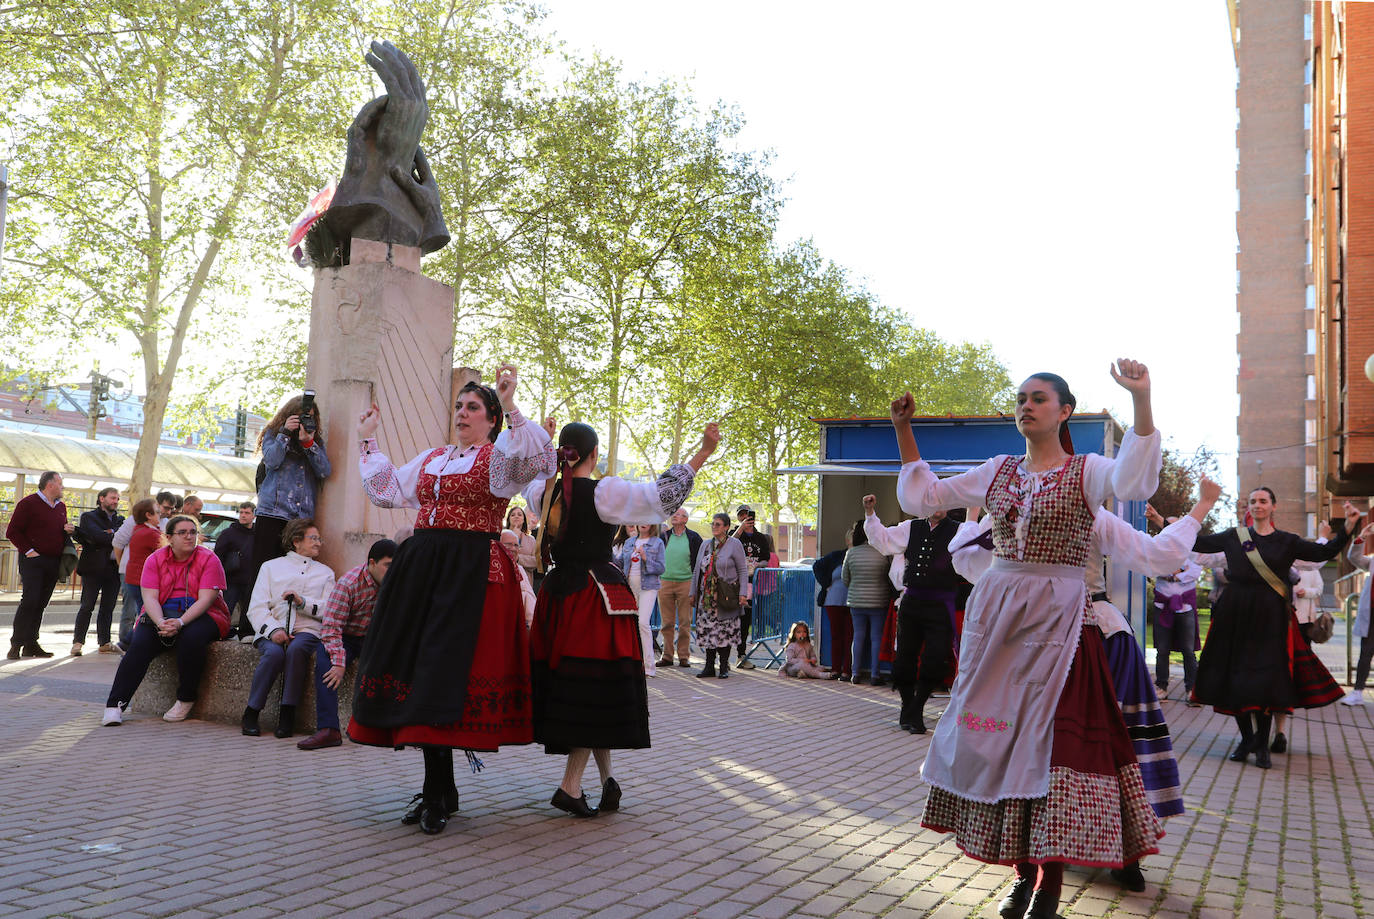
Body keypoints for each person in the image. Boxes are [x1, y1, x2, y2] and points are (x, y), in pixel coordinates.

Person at [891, 362, 1172, 918]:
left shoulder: (1088, 471)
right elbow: (925, 497)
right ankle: (1022, 874)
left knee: (1057, 750)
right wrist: (904, 431)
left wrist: (1141, 399)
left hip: (1064, 627)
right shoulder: (998, 470)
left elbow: (1135, 481)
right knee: (999, 743)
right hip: (999, 625)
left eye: (1039, 398)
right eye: (1020, 398)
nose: (1026, 406)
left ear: (1063, 411)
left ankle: (1050, 883)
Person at [349, 365, 556, 835]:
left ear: (490, 419)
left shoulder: (497, 459)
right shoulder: (433, 458)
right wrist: (368, 440)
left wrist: (508, 401)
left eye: (473, 408)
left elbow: (537, 462)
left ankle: (441, 791)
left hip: (470, 573)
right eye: (460, 407)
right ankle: (437, 786)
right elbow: (385, 492)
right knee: (417, 670)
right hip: (422, 567)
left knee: (446, 674)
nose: (462, 413)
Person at [527, 420, 718, 817]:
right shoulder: (604, 491)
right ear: (594, 455)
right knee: (594, 687)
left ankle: (609, 782)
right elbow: (658, 496)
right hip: (593, 597)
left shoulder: (543, 491)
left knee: (594, 688)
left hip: (557, 595)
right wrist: (701, 454)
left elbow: (540, 480)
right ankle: (570, 785)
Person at [1190, 488, 1356, 768]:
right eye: (1253, 501)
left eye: (1263, 501)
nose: (1257, 505)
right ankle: (1246, 740)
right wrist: (1162, 523)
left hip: (1271, 618)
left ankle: (1263, 746)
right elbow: (1197, 543)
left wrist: (1348, 527)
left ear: (1273, 506)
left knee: (1266, 679)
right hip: (1235, 614)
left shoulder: (1287, 541)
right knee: (1235, 676)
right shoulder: (1234, 537)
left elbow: (1323, 551)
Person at [101, 514, 232, 726]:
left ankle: (185, 698)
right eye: (182, 533)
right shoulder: (155, 559)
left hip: (204, 614)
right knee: (139, 643)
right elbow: (150, 597)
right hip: (161, 612)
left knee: (191, 638)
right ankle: (114, 705)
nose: (189, 537)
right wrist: (161, 621)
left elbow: (207, 599)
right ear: (169, 537)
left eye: (193, 532)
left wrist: (180, 623)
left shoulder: (209, 558)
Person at [863, 496, 967, 732]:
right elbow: (883, 540)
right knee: (904, 660)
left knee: (935, 659)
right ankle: (908, 706)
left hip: (940, 603)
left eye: (941, 503)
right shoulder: (911, 527)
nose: (936, 508)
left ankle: (917, 707)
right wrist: (870, 513)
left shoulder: (959, 530)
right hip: (912, 602)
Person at [297, 538, 396, 751]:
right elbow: (331, 627)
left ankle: (392, 727)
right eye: (388, 565)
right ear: (371, 563)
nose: (393, 570)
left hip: (375, 637)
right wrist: (339, 663)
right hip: (346, 637)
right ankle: (329, 729)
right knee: (326, 663)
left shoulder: (397, 583)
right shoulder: (349, 584)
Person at [241, 518, 336, 739]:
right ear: (296, 541)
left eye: (319, 539)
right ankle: (251, 712)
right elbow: (256, 607)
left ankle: (287, 714)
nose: (319, 543)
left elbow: (329, 608)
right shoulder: (271, 567)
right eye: (313, 538)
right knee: (273, 655)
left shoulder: (326, 573)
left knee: (296, 650)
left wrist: (303, 603)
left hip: (308, 631)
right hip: (271, 629)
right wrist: (273, 631)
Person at [250, 395, 331, 591]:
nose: (305, 421)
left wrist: (308, 444)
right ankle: (252, 621)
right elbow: (272, 461)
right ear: (289, 416)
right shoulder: (275, 433)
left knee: (292, 575)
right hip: (272, 513)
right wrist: (285, 432)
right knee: (263, 571)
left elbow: (324, 471)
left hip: (300, 518)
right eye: (300, 417)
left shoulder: (315, 441)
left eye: (310, 417)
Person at [6, 470, 75, 659]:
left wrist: (66, 530)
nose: (62, 487)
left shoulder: (61, 507)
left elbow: (55, 530)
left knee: (41, 603)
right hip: (33, 561)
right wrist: (30, 551)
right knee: (30, 601)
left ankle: (31, 644)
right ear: (50, 484)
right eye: (60, 484)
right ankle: (16, 644)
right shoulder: (28, 503)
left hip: (53, 561)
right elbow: (12, 532)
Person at [112, 492, 177, 647]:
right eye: (158, 511)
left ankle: (129, 642)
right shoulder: (150, 533)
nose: (161, 514)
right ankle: (128, 642)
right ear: (148, 515)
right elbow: (170, 552)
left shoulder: (140, 529)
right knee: (149, 614)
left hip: (134, 579)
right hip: (140, 581)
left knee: (146, 613)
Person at [691, 513, 748, 680]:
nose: (714, 527)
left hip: (726, 595)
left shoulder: (734, 544)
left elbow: (743, 570)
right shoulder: (706, 545)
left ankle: (724, 666)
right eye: (713, 524)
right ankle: (709, 666)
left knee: (725, 631)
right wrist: (692, 593)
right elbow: (697, 570)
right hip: (707, 596)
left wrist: (743, 593)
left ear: (726, 527)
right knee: (708, 630)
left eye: (718, 524)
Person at [72, 487, 125, 656]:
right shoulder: (88, 517)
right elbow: (95, 537)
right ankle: (78, 642)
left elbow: (123, 538)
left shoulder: (121, 519)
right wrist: (112, 534)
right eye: (112, 498)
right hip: (93, 569)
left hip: (113, 569)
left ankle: (104, 642)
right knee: (87, 606)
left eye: (117, 498)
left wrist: (109, 533)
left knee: (108, 607)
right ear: (102, 498)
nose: (115, 501)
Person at [842, 519, 891, 686]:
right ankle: (875, 675)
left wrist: (856, 588)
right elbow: (888, 576)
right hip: (879, 601)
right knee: (876, 638)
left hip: (856, 601)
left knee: (858, 636)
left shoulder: (852, 553)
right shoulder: (882, 552)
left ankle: (855, 674)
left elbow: (845, 578)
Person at [616, 523, 666, 676]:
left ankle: (649, 666)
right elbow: (619, 563)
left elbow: (661, 568)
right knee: (630, 625)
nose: (643, 523)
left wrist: (645, 558)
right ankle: (633, 662)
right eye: (641, 520)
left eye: (647, 520)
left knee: (643, 623)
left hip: (648, 588)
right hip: (629, 588)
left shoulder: (657, 543)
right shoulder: (630, 542)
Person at [657, 507, 701, 668]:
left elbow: (699, 562)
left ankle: (684, 656)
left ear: (685, 520)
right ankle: (667, 656)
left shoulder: (694, 538)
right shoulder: (664, 536)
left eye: (678, 515)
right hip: (665, 583)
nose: (674, 516)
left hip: (686, 583)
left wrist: (696, 585)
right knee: (666, 623)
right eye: (673, 514)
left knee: (685, 622)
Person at [731, 506, 773, 670]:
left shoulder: (761, 537)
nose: (745, 518)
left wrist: (755, 567)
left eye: (748, 515)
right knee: (728, 619)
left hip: (750, 584)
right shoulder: (735, 534)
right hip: (732, 584)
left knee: (745, 620)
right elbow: (727, 546)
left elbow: (766, 559)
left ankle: (741, 655)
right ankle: (721, 655)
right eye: (742, 515)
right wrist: (741, 528)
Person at [1343, 523, 1374, 706]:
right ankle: (1357, 692)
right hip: (1371, 615)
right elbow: (1354, 557)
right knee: (1366, 652)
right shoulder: (1372, 560)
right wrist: (1362, 537)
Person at [215, 502, 257, 639]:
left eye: (247, 513)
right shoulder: (228, 533)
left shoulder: (257, 534)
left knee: (250, 611)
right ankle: (220, 633)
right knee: (226, 609)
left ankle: (246, 634)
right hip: (231, 579)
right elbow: (218, 556)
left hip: (249, 580)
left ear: (254, 515)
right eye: (241, 512)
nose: (243, 516)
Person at [813, 539, 852, 681]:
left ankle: (847, 671)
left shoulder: (858, 556)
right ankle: (836, 669)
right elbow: (817, 566)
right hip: (833, 601)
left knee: (850, 637)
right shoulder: (837, 556)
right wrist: (826, 584)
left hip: (853, 601)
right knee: (836, 636)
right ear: (848, 541)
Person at [500, 530, 538, 628]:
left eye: (516, 545)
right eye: (508, 544)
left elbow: (529, 600)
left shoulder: (519, 569)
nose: (513, 549)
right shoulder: (493, 569)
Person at [504, 506, 538, 582]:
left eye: (519, 514)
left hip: (525, 582)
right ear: (509, 519)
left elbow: (536, 562)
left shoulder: (531, 539)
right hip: (506, 579)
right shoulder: (501, 536)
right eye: (513, 515)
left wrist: (518, 558)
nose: (516, 516)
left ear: (524, 519)